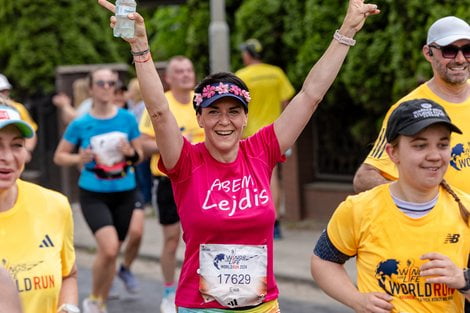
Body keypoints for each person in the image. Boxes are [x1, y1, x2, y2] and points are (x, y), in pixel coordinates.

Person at [98, 0, 379, 311]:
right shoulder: (186, 161)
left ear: (245, 118)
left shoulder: (261, 150)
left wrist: (346, 31)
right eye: (213, 112)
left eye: (234, 111)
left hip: (262, 306)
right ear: (200, 119)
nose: (224, 121)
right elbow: (160, 113)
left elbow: (310, 95)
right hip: (200, 307)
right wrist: (140, 49)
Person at [311, 98, 470, 312]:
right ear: (392, 153)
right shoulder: (359, 209)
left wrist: (463, 280)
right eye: (420, 145)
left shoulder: (465, 208)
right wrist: (357, 300)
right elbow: (323, 261)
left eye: (443, 145)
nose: (434, 156)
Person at [54, 67, 142, 313]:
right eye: (101, 83)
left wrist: (130, 153)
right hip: (94, 192)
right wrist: (79, 158)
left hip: (125, 189)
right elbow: (60, 157)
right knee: (109, 247)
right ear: (91, 88)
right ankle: (93, 299)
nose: (106, 88)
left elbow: (140, 154)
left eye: (110, 83)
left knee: (112, 253)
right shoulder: (81, 124)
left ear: (115, 87)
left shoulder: (126, 118)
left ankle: (99, 300)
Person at [353, 16, 470, 194]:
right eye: (449, 51)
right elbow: (365, 177)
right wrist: (424, 203)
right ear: (428, 53)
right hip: (443, 222)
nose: (461, 59)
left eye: (467, 50)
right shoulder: (409, 109)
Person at [0, 98, 79, 313]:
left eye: (17, 145)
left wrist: (68, 307)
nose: (7, 157)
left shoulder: (55, 205)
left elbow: (68, 274)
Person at [139, 55, 204, 313]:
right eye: (179, 71)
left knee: (202, 239)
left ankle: (202, 286)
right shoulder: (160, 104)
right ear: (168, 77)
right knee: (171, 240)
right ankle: (168, 290)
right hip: (169, 181)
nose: (186, 75)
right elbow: (143, 145)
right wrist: (172, 142)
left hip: (203, 179)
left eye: (189, 70)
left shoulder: (203, 102)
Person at [235, 39, 295, 239]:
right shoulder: (276, 73)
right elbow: (286, 103)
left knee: (254, 178)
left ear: (247, 55)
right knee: (272, 177)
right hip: (276, 132)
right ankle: (274, 222)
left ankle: (262, 220)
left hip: (250, 135)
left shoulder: (241, 76)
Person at [0, 73, 38, 161]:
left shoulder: (18, 108)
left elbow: (31, 131)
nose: (2, 94)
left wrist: (27, 151)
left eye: (4, 90)